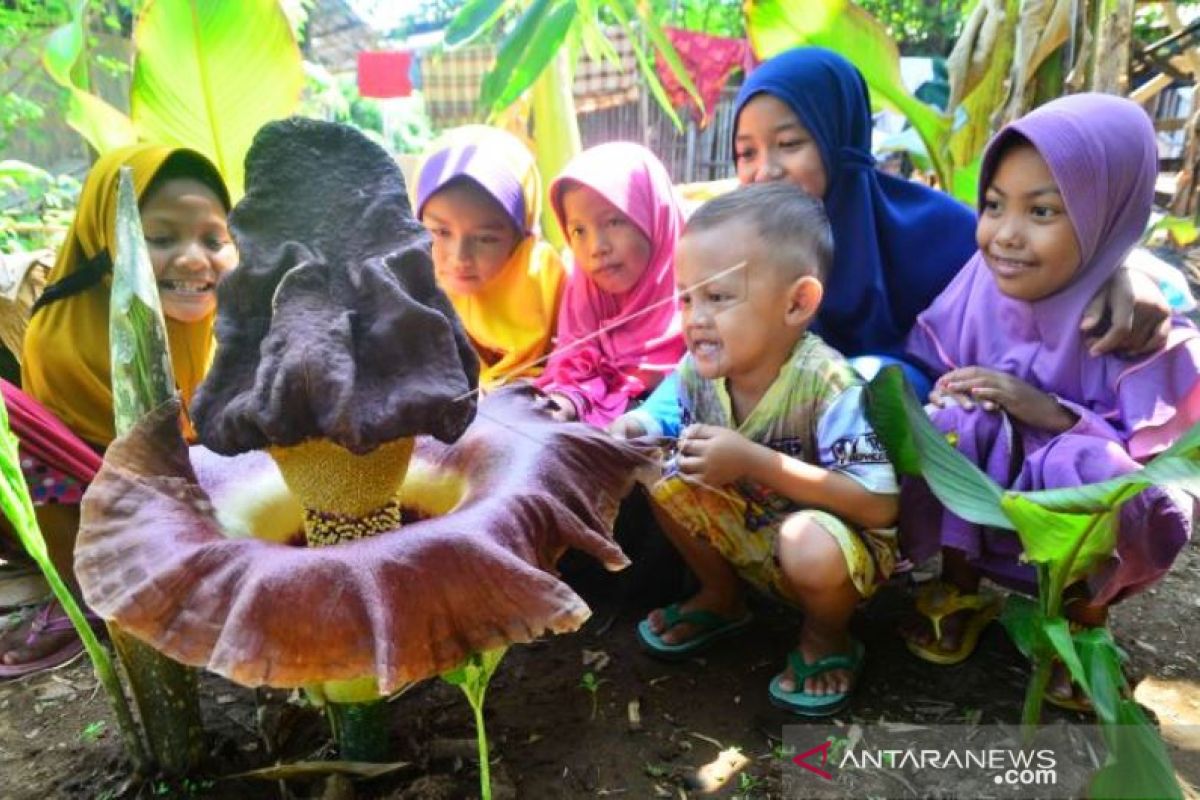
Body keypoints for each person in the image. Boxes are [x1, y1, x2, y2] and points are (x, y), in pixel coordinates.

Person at [899, 94, 1200, 709]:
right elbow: (938, 361)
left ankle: (1083, 621)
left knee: (1092, 473)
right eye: (992, 205)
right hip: (999, 476)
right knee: (954, 421)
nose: (1005, 234)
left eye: (1042, 211)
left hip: (1076, 484)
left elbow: (1152, 461)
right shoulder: (981, 284)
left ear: (1103, 216)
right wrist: (958, 392)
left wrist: (1055, 416)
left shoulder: (1131, 319)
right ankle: (961, 588)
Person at [611, 183, 899, 717]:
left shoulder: (827, 384)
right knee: (654, 468)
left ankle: (828, 637)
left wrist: (754, 460)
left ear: (797, 303)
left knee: (807, 540)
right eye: (686, 297)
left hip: (832, 556)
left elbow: (880, 505)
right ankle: (722, 598)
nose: (695, 318)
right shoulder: (696, 374)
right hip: (751, 535)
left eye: (717, 297)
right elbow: (657, 415)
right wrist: (633, 427)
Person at [1, 144, 235, 676]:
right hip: (102, 497)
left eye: (214, 239)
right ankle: (81, 600)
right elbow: (101, 459)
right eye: (160, 238)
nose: (194, 259)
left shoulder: (233, 322)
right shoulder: (66, 338)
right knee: (35, 465)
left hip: (207, 487)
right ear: (107, 238)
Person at [536, 142, 687, 426]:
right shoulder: (584, 293)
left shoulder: (705, 303)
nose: (597, 247)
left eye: (614, 221)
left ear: (654, 216)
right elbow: (572, 366)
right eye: (579, 230)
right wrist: (566, 401)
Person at [414, 126, 568, 391]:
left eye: (486, 238)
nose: (460, 257)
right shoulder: (407, 284)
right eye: (441, 232)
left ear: (520, 238)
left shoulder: (549, 285)